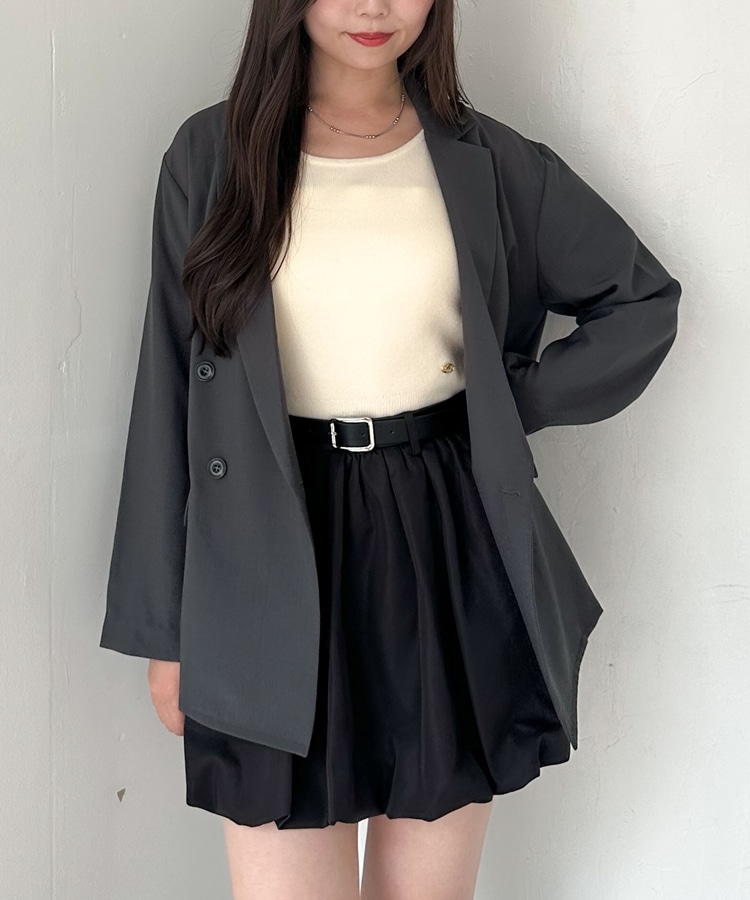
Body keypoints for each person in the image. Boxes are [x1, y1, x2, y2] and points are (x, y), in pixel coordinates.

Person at [100, 1, 681, 897]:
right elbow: (166, 390)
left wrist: (508, 402)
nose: (374, 6)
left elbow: (641, 299)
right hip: (267, 547)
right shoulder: (210, 157)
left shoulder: (488, 160)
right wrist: (164, 634)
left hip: (444, 543)